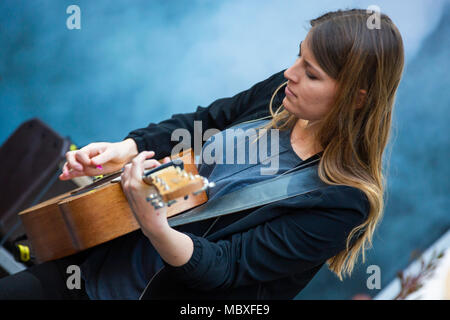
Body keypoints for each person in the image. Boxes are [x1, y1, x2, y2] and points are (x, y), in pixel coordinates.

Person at [0, 8, 404, 300]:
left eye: (311, 72)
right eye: (299, 55)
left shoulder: (343, 202)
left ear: (356, 98)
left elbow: (227, 269)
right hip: (95, 262)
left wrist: (155, 224)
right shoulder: (282, 95)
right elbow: (206, 119)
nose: (290, 73)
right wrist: (126, 149)